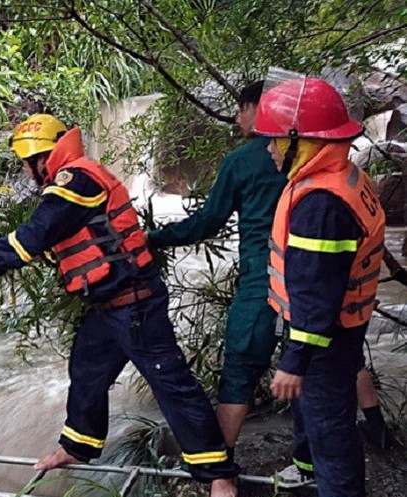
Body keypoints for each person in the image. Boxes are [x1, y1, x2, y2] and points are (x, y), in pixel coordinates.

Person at [0, 114, 240, 497]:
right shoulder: (69, 181)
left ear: (42, 156)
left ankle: (219, 474)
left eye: (26, 161)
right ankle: (78, 446)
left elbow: (35, 235)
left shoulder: (75, 179)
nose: (25, 170)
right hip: (110, 307)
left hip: (135, 302)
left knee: (172, 385)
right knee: (87, 371)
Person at [148, 82, 392, 465]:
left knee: (241, 368)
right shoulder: (337, 165)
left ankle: (220, 467)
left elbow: (207, 222)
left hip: (266, 281)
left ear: (257, 108)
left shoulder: (243, 161)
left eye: (241, 109)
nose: (238, 119)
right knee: (333, 355)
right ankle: (373, 429)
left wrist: (154, 239)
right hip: (324, 281)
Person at [255, 75, 384, 497]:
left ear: (301, 141)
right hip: (342, 329)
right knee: (316, 412)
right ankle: (307, 468)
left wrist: (294, 359)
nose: (268, 149)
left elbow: (316, 298)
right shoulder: (338, 177)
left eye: (274, 139)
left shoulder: (320, 205)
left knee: (332, 427)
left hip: (327, 335)